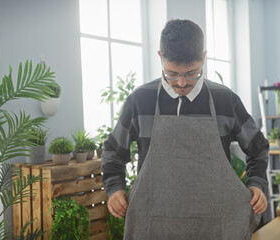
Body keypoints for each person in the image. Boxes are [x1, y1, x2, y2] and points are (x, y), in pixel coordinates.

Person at [102, 19, 270, 239]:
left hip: (217, 226)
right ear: (160, 57)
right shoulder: (140, 101)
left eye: (192, 73)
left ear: (204, 57)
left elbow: (258, 148)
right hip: (154, 225)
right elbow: (113, 151)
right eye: (171, 73)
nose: (181, 83)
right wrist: (115, 188)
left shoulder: (225, 100)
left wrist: (256, 183)